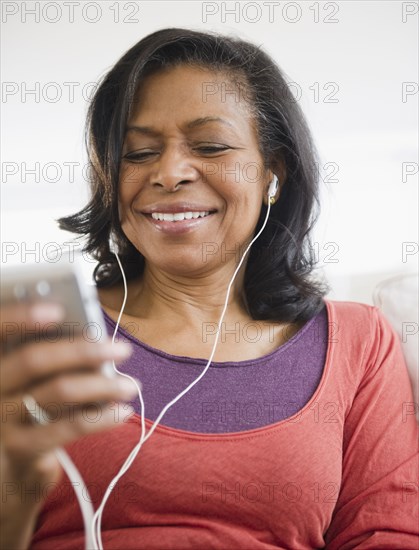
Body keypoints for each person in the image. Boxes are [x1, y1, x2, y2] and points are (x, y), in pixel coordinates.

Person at [1, 27, 418, 550]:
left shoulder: (360, 340)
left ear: (274, 173)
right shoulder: (40, 336)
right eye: (137, 153)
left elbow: (387, 535)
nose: (169, 172)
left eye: (211, 146)